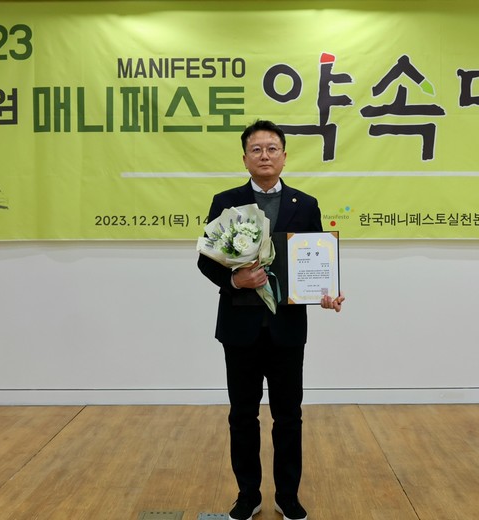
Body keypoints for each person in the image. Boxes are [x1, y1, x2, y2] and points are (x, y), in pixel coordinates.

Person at [197, 120, 344, 520]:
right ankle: (248, 495)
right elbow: (206, 261)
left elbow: (316, 260)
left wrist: (326, 294)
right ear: (245, 158)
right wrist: (235, 280)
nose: (265, 156)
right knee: (242, 415)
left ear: (284, 156)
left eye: (272, 149)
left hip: (287, 329)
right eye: (257, 149)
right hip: (240, 327)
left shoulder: (305, 204)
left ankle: (287, 495)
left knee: (289, 416)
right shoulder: (226, 202)